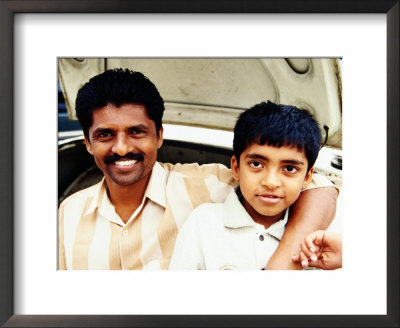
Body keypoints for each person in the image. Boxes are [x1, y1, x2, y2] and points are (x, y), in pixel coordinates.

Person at [58, 68, 338, 270]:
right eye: (105, 134)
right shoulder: (68, 212)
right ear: (87, 142)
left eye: (136, 132)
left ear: (159, 136)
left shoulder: (206, 186)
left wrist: (281, 269)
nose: (121, 148)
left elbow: (319, 186)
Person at [170, 101, 325, 270]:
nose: (271, 182)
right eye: (257, 164)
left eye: (289, 168)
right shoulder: (203, 222)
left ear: (307, 177)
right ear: (236, 168)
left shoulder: (315, 238)